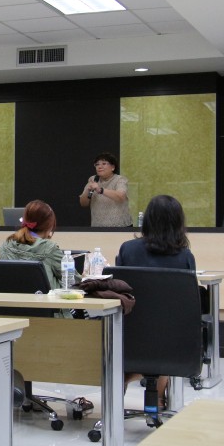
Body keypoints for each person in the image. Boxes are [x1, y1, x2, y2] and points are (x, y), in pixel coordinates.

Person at [116, 194, 196, 406]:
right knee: (165, 337)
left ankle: (119, 391)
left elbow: (119, 289)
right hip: (171, 338)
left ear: (148, 220)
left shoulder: (127, 249)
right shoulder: (185, 257)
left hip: (130, 332)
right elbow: (188, 302)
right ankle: (158, 399)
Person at [0, 199, 64, 289]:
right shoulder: (50, 248)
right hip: (44, 297)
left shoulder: (5, 246)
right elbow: (73, 281)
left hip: (13, 297)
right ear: (49, 225)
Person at [79, 152, 132, 227]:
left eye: (104, 164)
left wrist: (101, 190)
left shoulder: (120, 179)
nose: (99, 167)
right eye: (97, 164)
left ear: (113, 167)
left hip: (120, 227)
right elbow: (83, 203)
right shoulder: (93, 179)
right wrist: (87, 191)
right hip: (97, 227)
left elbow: (121, 197)